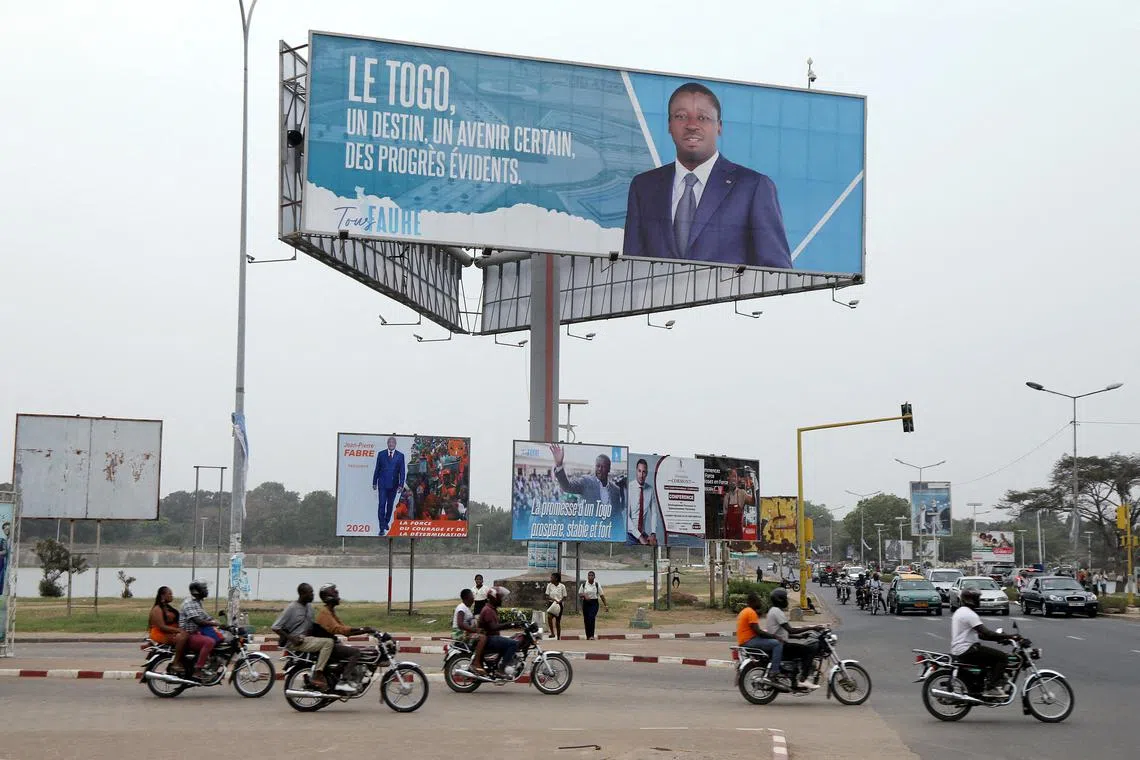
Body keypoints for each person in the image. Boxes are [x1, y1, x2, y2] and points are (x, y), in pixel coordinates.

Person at [622, 82, 792, 270]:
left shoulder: (753, 187)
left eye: (703, 117)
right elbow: (631, 269)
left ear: (719, 126)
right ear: (669, 125)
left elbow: (776, 273)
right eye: (681, 116)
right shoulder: (644, 187)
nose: (692, 125)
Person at [951, 587, 1021, 698]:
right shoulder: (969, 614)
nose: (979, 600)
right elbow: (986, 633)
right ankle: (992, 687)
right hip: (967, 649)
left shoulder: (961, 612)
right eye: (977, 598)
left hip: (961, 649)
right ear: (971, 599)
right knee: (1002, 657)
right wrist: (1011, 636)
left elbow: (981, 635)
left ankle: (985, 684)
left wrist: (1001, 639)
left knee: (990, 659)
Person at [271, 582, 334, 691]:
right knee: (328, 643)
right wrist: (291, 638)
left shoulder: (309, 607)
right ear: (302, 594)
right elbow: (275, 627)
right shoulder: (292, 608)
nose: (313, 595)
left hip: (307, 640)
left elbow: (311, 626)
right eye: (310, 593)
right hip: (296, 642)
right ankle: (318, 674)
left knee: (331, 641)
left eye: (313, 592)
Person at [311, 584, 371, 693]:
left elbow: (344, 630)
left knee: (351, 651)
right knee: (356, 652)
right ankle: (344, 681)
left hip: (331, 644)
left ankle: (347, 677)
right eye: (335, 594)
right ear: (329, 597)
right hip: (328, 646)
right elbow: (340, 629)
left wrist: (365, 630)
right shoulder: (325, 613)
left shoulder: (330, 611)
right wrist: (364, 629)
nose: (338, 597)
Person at [765, 588, 825, 690]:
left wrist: (800, 636)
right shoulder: (777, 612)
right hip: (781, 645)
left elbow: (783, 632)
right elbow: (790, 630)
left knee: (800, 650)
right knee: (808, 650)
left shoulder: (773, 610)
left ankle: (794, 679)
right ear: (780, 600)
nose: (787, 601)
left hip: (779, 642)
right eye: (785, 598)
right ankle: (803, 679)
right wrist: (812, 627)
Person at [549, 444, 625, 517]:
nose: (600, 469)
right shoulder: (586, 482)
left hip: (609, 529)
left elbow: (618, 516)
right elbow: (567, 487)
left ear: (609, 469)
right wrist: (559, 465)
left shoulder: (615, 490)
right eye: (598, 466)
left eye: (603, 466)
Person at [736, 591, 788, 689]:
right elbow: (758, 631)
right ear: (753, 602)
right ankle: (774, 672)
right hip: (749, 641)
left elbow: (756, 631)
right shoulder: (751, 612)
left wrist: (768, 635)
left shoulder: (745, 611)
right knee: (777, 644)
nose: (760, 603)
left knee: (772, 642)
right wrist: (774, 636)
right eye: (758, 601)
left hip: (746, 640)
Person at [178, 579, 224, 679]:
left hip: (196, 633)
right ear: (196, 591)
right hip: (188, 635)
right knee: (210, 642)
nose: (206, 590)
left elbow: (206, 617)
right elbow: (198, 621)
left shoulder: (197, 602)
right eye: (204, 588)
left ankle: (210, 662)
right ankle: (198, 670)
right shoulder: (189, 603)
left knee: (219, 638)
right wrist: (213, 623)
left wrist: (223, 624)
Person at [477, 586, 522, 677]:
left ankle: (503, 663)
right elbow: (493, 627)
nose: (501, 599)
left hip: (492, 638)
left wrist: (514, 623)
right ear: (494, 598)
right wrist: (510, 625)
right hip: (489, 639)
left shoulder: (492, 609)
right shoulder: (488, 610)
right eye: (500, 597)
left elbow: (497, 624)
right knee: (513, 643)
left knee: (512, 639)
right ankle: (501, 669)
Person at [148, 586, 188, 674]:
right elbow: (162, 627)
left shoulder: (167, 607)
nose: (172, 596)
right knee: (183, 638)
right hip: (161, 634)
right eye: (169, 594)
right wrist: (178, 630)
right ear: (162, 596)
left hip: (170, 632)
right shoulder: (157, 609)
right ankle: (176, 663)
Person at [372, 436, 405, 536]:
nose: (391, 444)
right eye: (389, 443)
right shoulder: (381, 454)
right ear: (387, 444)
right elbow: (377, 468)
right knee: (382, 504)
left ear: (395, 444)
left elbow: (402, 471)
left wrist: (401, 484)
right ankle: (381, 527)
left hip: (394, 485)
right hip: (382, 484)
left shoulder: (400, 455)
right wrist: (374, 482)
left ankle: (386, 521)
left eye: (392, 443)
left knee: (390, 505)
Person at [627, 458, 662, 545]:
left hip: (642, 533)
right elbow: (626, 518)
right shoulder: (629, 488)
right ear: (636, 471)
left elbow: (654, 513)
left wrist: (653, 533)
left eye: (644, 472)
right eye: (639, 471)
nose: (641, 475)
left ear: (646, 473)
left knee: (655, 544)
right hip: (629, 533)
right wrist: (639, 537)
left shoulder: (650, 490)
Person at [453, 588, 485, 673]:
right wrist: (475, 630)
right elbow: (460, 624)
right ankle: (476, 663)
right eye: (472, 595)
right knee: (482, 638)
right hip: (460, 635)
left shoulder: (467, 609)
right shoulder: (461, 608)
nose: (473, 598)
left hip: (466, 634)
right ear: (467, 597)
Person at [578, 571, 609, 640]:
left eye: (592, 575)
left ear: (594, 577)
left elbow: (602, 595)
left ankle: (591, 635)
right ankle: (588, 635)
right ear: (587, 577)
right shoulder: (584, 584)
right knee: (586, 619)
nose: (590, 577)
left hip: (594, 603)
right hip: (586, 603)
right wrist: (584, 595)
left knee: (591, 617)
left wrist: (606, 605)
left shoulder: (597, 585)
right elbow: (580, 593)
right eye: (589, 575)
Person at [545, 572, 568, 640]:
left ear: (556, 578)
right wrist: (553, 599)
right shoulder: (549, 585)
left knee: (558, 621)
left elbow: (565, 596)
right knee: (549, 617)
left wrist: (560, 601)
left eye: (552, 578)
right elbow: (547, 595)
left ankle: (558, 636)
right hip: (551, 604)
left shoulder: (562, 586)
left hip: (559, 605)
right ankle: (552, 633)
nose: (550, 579)